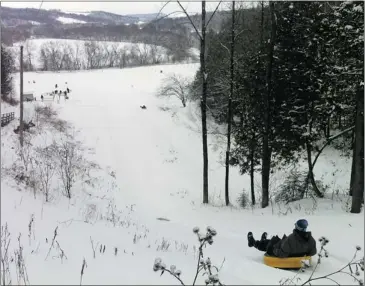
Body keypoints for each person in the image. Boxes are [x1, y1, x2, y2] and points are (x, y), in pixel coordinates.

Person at [247, 219, 317, 258]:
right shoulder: (311, 239)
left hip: (281, 251)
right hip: (287, 248)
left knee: (269, 245)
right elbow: (313, 252)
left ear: (297, 227)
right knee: (276, 240)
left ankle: (253, 242)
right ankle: (263, 240)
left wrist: (274, 249)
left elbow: (282, 254)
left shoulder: (291, 239)